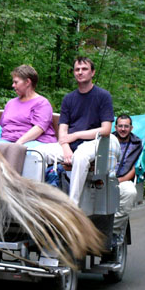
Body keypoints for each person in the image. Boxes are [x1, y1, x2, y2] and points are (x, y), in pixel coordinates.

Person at [37, 56, 120, 205]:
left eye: (84, 69)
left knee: (80, 157)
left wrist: (75, 135)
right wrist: (66, 149)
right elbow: (62, 130)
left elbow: (106, 129)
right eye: (77, 69)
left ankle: (73, 205)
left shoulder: (103, 96)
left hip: (94, 143)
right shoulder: (68, 99)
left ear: (92, 72)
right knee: (37, 153)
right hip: (69, 146)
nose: (80, 72)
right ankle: (37, 201)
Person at [0, 64, 57, 147]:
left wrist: (18, 144)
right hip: (7, 141)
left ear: (27, 82)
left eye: (16, 82)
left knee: (18, 153)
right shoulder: (10, 103)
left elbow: (39, 128)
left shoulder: (42, 103)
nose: (13, 85)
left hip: (34, 142)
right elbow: (2, 126)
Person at [112, 114, 142, 242]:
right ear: (115, 127)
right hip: (101, 178)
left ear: (131, 128)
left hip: (123, 179)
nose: (123, 129)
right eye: (120, 126)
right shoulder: (106, 139)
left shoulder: (137, 144)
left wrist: (120, 180)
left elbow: (136, 166)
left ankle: (112, 229)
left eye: (126, 126)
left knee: (130, 192)